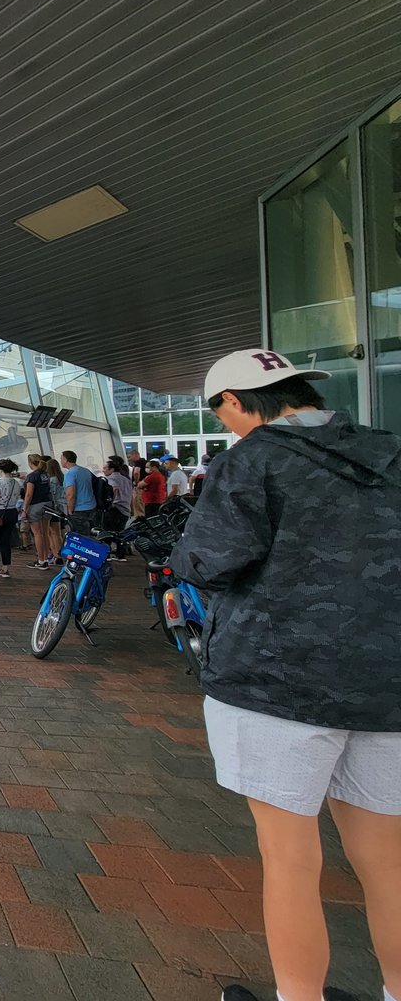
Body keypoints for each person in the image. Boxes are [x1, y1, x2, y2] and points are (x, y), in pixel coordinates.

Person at [167, 348, 401, 1001]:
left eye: (223, 415)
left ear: (237, 404)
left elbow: (211, 561)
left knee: (292, 859)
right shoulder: (390, 451)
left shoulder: (253, 458)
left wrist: (179, 551)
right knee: (387, 864)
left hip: (276, 685)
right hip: (387, 685)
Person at [23, 454, 57, 569]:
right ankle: (46, 558)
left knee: (37, 534)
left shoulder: (32, 476)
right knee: (45, 533)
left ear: (30, 463)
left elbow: (29, 494)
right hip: (47, 505)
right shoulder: (45, 474)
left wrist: (24, 508)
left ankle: (41, 560)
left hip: (35, 506)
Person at [101, 457, 134, 559]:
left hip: (115, 508)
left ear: (112, 469)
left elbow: (114, 489)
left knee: (108, 533)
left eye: (106, 468)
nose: (103, 470)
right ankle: (121, 554)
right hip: (125, 508)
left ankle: (106, 553)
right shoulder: (126, 479)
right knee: (120, 532)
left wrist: (110, 503)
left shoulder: (111, 478)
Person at [59, 450, 98, 535]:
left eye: (61, 459)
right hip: (92, 506)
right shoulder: (85, 470)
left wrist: (70, 511)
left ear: (66, 460)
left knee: (81, 536)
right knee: (92, 534)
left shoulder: (70, 474)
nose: (61, 461)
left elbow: (70, 494)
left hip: (79, 510)